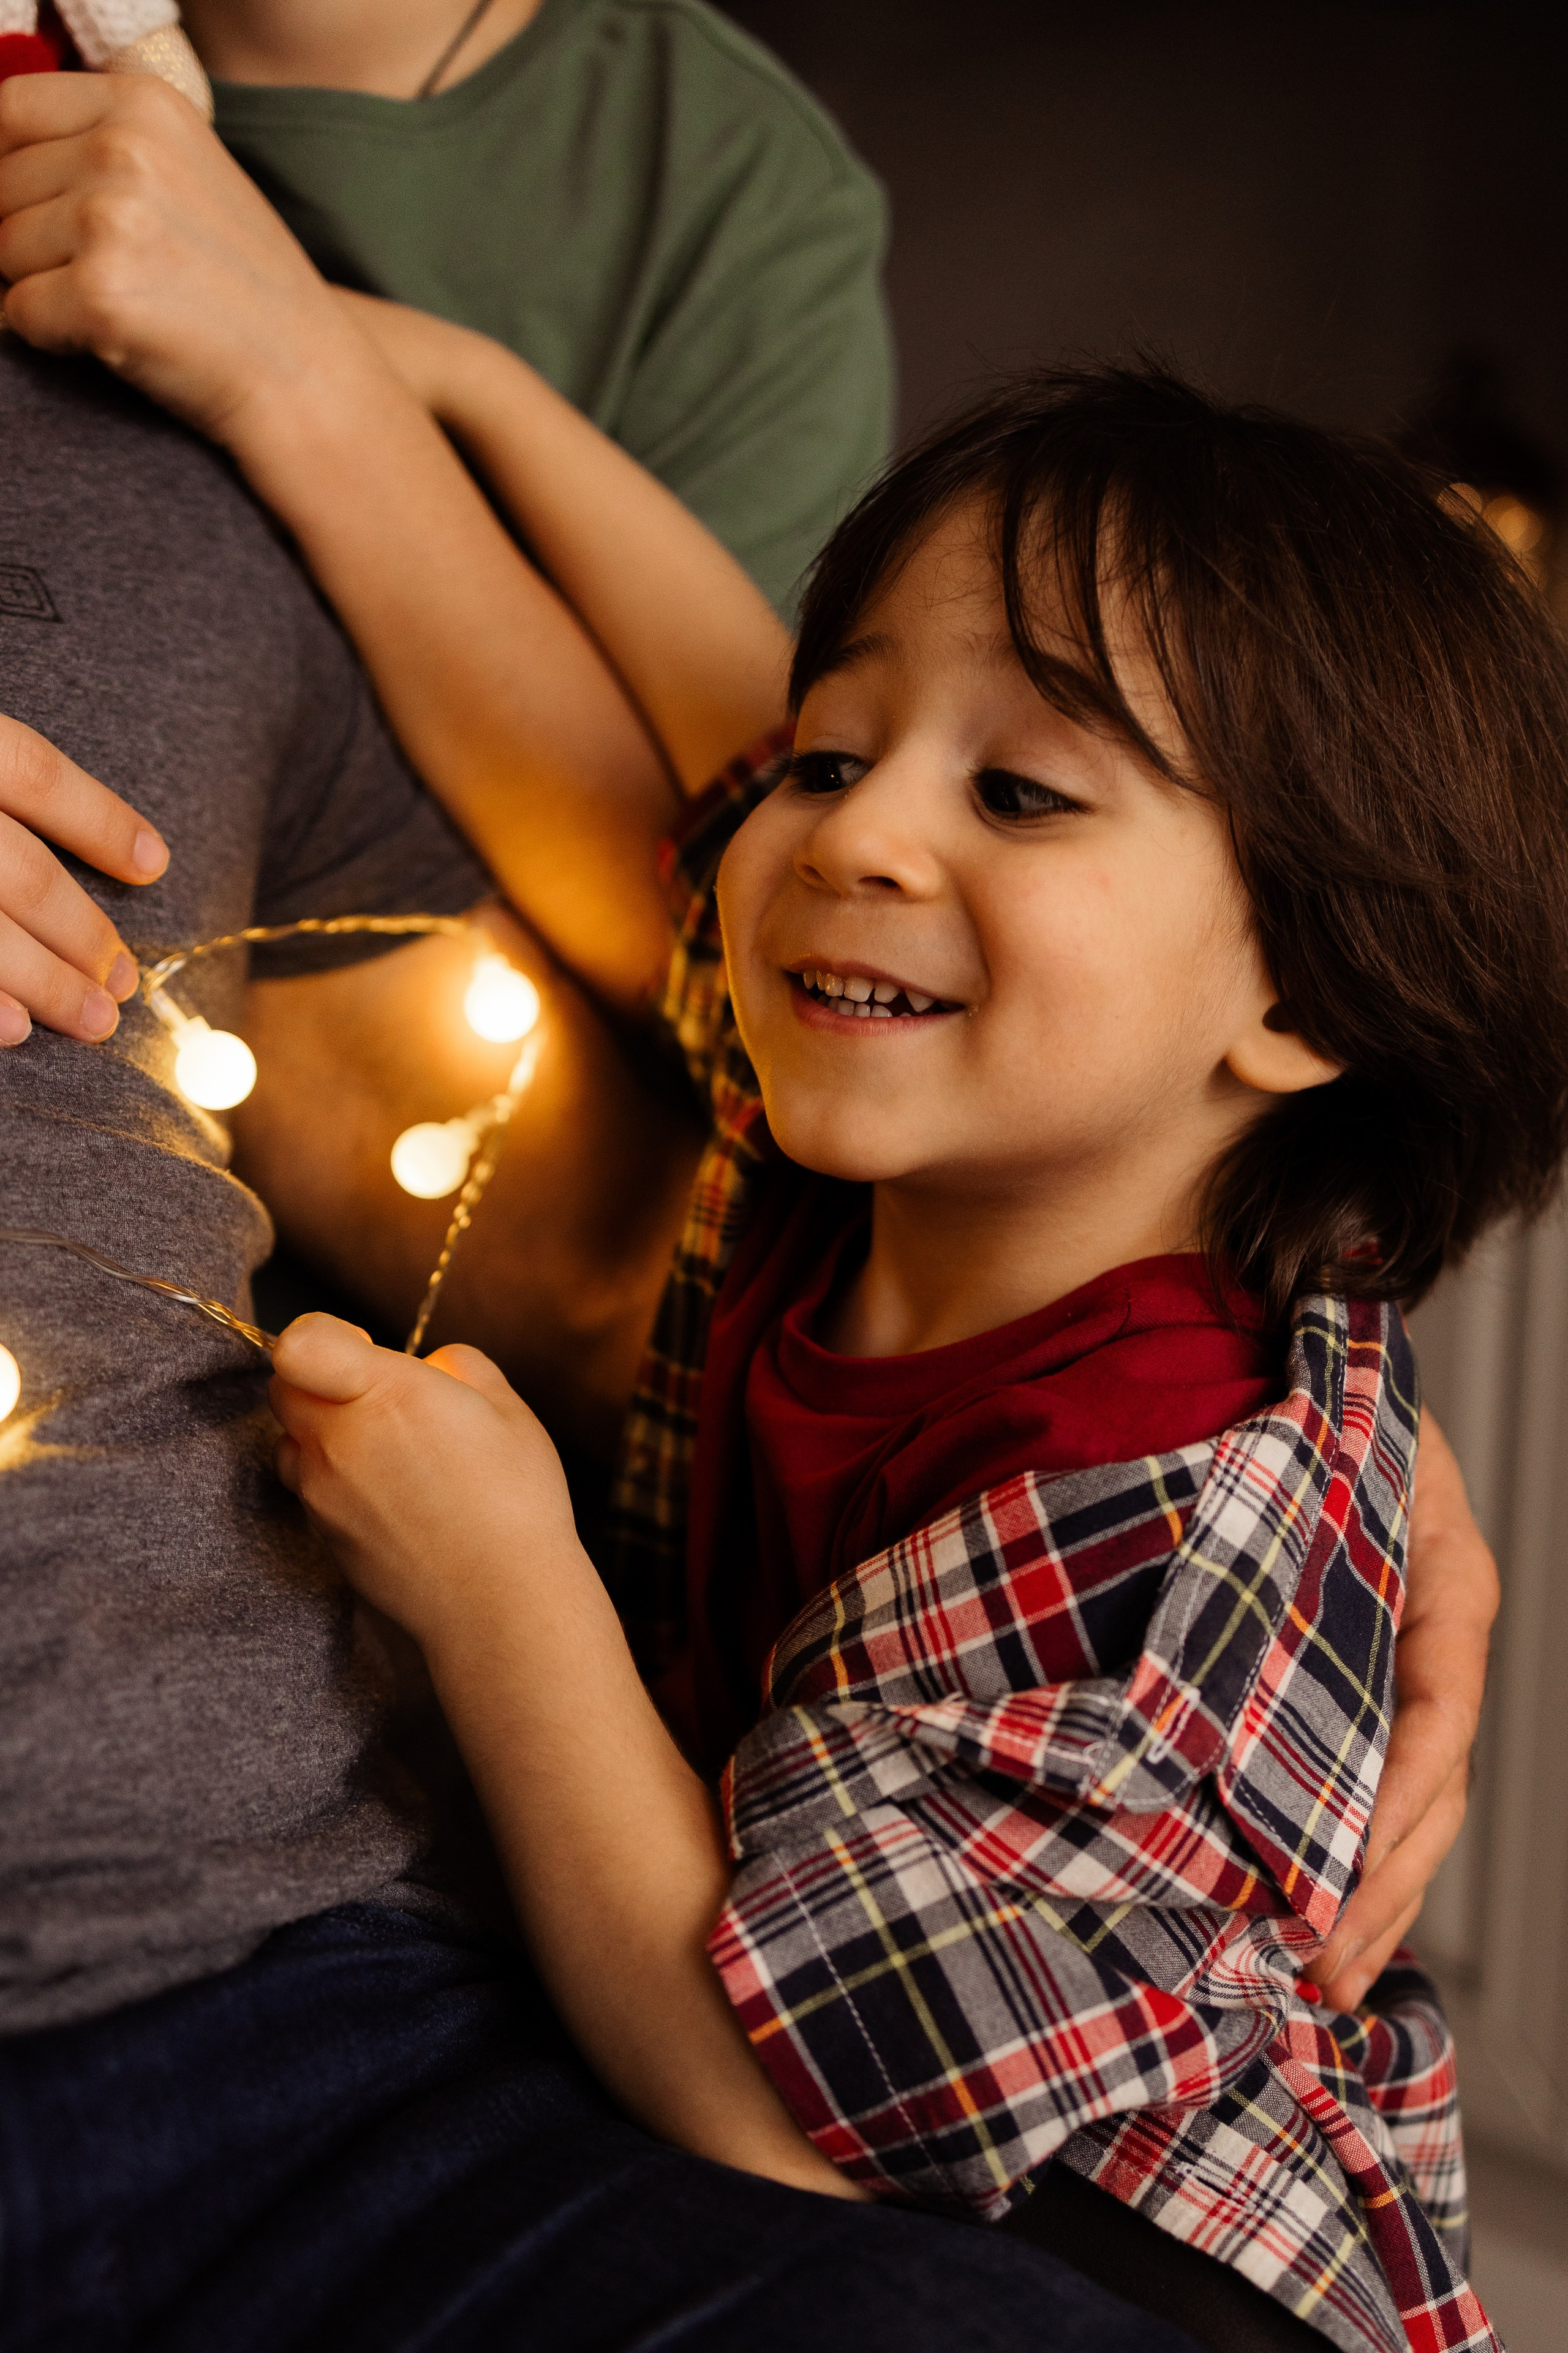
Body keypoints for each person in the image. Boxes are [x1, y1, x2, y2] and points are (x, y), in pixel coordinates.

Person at [256, 360, 1567, 2352]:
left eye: (1018, 789)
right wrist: (454, 391)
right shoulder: (869, 1128)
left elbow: (780, 2110)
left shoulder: (1157, 1535)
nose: (848, 833)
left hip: (1115, 2271)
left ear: (1303, 988)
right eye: (828, 755)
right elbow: (596, 770)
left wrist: (495, 1579)